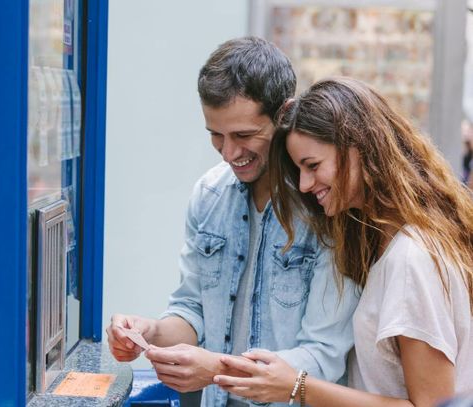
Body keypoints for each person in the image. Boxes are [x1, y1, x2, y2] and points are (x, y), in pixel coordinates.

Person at [106, 38, 359, 407]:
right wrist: (152, 331)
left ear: (284, 114)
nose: (229, 153)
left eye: (244, 135)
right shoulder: (209, 196)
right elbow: (193, 310)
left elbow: (322, 358)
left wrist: (216, 370)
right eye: (216, 135)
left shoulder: (327, 207)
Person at [213, 77, 473, 407]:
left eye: (313, 166)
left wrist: (297, 385)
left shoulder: (411, 259)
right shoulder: (384, 240)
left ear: (360, 149)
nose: (305, 184)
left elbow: (432, 405)